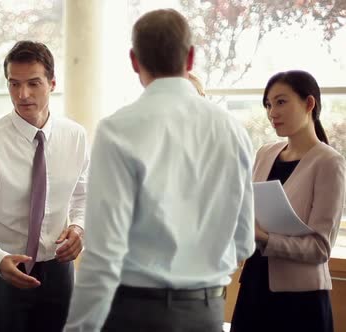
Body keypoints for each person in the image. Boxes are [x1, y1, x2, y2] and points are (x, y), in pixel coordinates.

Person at [64, 9, 255, 332]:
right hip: (206, 313)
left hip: (137, 315)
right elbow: (244, 242)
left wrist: (79, 328)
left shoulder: (118, 130)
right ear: (191, 58)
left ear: (134, 61)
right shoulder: (232, 130)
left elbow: (104, 254)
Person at [0, 40, 89, 332]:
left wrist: (79, 227)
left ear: (52, 83)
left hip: (59, 269)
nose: (22, 94)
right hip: (7, 270)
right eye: (14, 84)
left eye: (33, 83)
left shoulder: (76, 136)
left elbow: (83, 195)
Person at [231, 70, 346, 332]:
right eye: (269, 105)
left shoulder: (329, 162)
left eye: (281, 102)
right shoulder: (265, 153)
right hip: (254, 287)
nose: (272, 113)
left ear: (309, 104)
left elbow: (320, 248)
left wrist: (265, 238)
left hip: (299, 303)